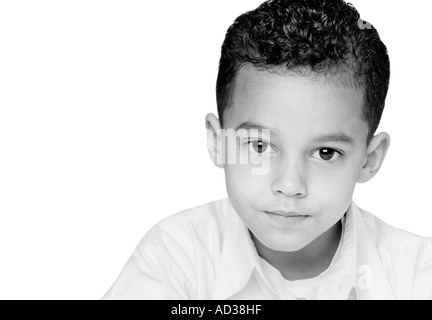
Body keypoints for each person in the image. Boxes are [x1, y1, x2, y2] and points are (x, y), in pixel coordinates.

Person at [103, 0, 432, 300]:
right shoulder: (178, 255)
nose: (289, 185)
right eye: (260, 146)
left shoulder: (417, 275)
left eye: (326, 153)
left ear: (369, 159)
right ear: (219, 143)